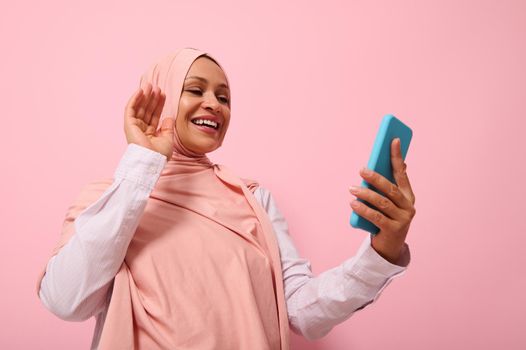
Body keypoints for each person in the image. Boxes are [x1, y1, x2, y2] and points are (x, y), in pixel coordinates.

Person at [37, 48, 416, 350]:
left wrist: (381, 252)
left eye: (224, 97)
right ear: (160, 96)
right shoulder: (111, 196)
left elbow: (303, 312)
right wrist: (144, 163)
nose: (214, 104)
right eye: (195, 89)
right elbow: (66, 300)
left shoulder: (253, 199)